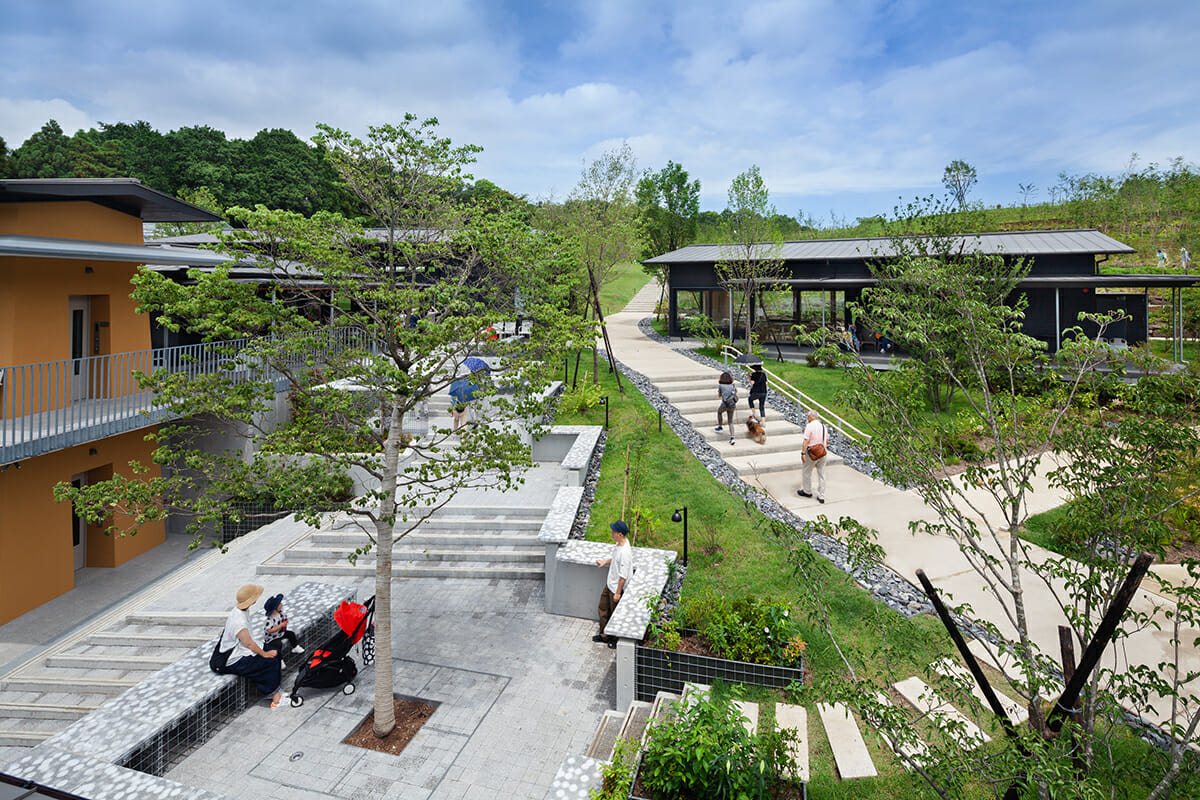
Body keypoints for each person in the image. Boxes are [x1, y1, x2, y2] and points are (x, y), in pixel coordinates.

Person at [220, 584, 286, 707]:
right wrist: (264, 654)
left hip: (242, 650)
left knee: (276, 653)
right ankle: (275, 700)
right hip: (234, 659)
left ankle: (273, 691)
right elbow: (249, 644)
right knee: (268, 662)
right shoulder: (238, 621)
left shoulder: (241, 610)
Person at [593, 521, 633, 649]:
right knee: (603, 607)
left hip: (616, 587)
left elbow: (623, 576)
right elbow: (615, 559)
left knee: (615, 614)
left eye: (613, 532)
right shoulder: (619, 545)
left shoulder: (625, 552)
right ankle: (604, 635)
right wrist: (605, 562)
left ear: (620, 534)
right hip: (610, 583)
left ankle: (614, 639)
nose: (611, 533)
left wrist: (617, 593)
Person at [797, 410, 828, 504]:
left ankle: (807, 491)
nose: (807, 418)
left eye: (807, 416)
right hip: (822, 453)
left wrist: (803, 453)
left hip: (811, 453)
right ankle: (821, 495)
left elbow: (806, 441)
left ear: (810, 417)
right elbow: (826, 441)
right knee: (822, 474)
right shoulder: (823, 426)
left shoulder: (809, 426)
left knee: (807, 472)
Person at [715, 371, 738, 445]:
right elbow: (737, 396)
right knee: (730, 421)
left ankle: (720, 427)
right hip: (732, 405)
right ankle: (732, 438)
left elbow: (719, 395)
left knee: (719, 412)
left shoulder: (721, 386)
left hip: (724, 404)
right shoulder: (733, 386)